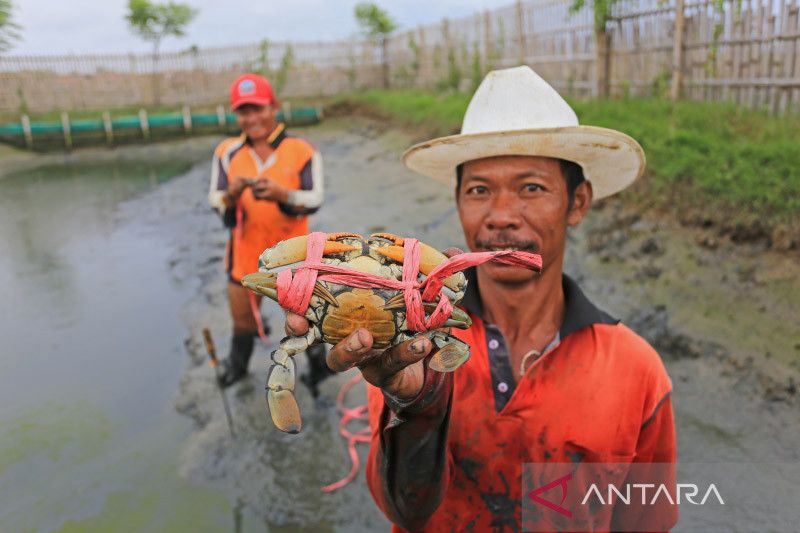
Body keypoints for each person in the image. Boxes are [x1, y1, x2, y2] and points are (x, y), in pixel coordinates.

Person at [285, 66, 677, 531]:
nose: (502, 217)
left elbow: (644, 523)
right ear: (457, 202)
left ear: (578, 202)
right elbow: (405, 511)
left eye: (532, 188)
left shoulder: (637, 371)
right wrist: (418, 405)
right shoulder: (411, 343)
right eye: (479, 190)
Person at [208, 73, 329, 390]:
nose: (252, 118)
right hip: (245, 254)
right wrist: (231, 195)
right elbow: (215, 201)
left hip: (294, 257)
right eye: (244, 112)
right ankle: (237, 367)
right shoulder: (227, 152)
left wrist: (282, 195)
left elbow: (314, 199)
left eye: (258, 109)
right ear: (237, 115)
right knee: (243, 321)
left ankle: (319, 369)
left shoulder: (301, 150)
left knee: (306, 321)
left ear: (273, 107)